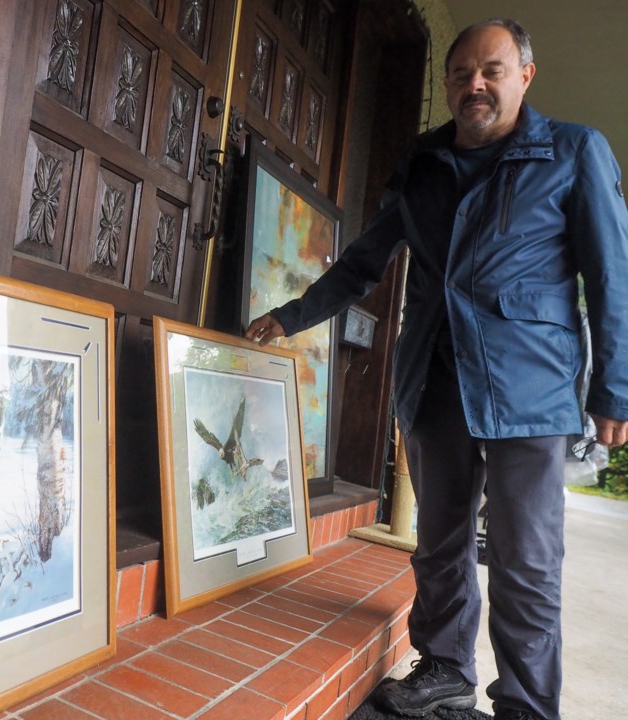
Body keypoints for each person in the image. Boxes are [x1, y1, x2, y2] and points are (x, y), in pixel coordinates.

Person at [245, 17, 628, 720]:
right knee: (441, 543)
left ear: (525, 75)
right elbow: (365, 260)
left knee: (526, 562)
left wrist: (616, 390)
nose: (474, 84)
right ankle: (446, 666)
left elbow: (612, 277)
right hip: (436, 381)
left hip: (530, 391)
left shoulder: (574, 152)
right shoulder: (423, 162)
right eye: (460, 73)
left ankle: (526, 705)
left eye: (491, 70)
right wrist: (294, 314)